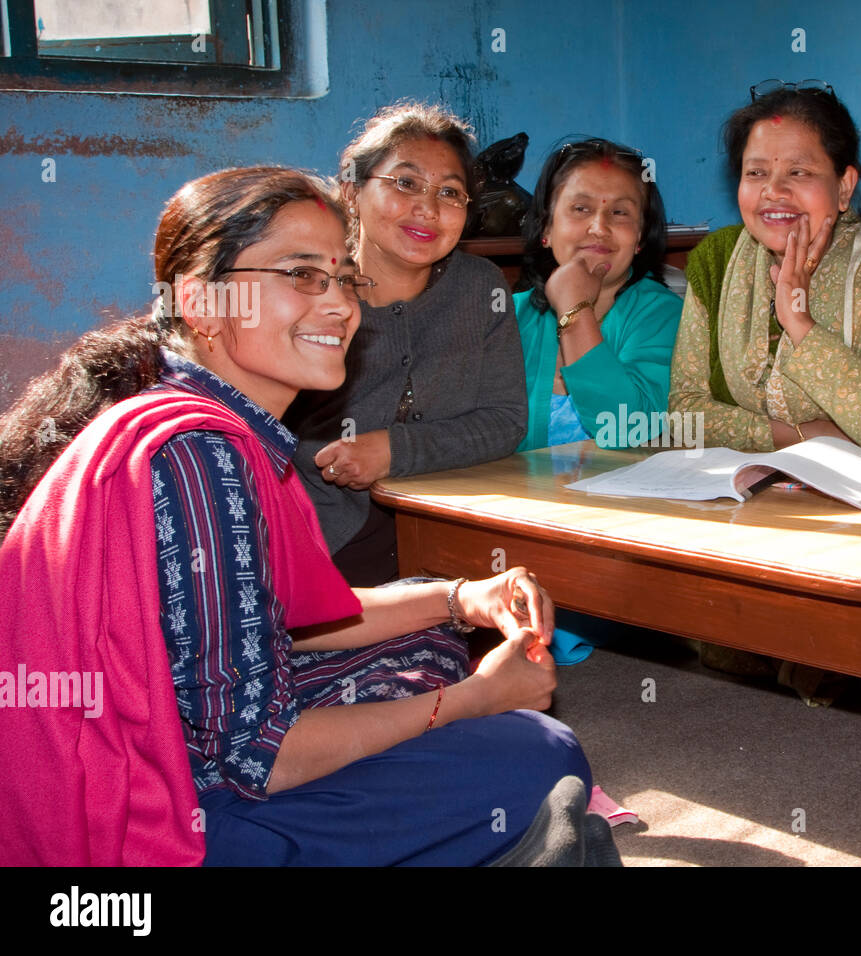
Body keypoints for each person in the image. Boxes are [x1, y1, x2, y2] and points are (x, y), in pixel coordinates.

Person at [0, 166, 617, 866]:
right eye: (301, 275)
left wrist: (460, 598)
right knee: (536, 752)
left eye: (343, 278)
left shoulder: (200, 419)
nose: (339, 305)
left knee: (431, 651)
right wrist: (477, 698)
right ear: (201, 302)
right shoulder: (204, 455)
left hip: (158, 751)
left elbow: (292, 615)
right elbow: (260, 759)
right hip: (145, 824)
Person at [286, 102, 527, 586]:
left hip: (451, 510)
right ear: (352, 191)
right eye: (406, 183)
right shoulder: (313, 288)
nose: (428, 208)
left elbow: (505, 420)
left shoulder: (481, 288)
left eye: (450, 193)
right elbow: (276, 425)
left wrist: (394, 449)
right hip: (324, 523)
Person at [670, 80, 861, 460]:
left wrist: (798, 321)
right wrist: (798, 435)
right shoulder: (717, 260)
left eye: (799, 172)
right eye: (756, 173)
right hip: (757, 482)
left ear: (844, 187)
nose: (774, 191)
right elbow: (684, 415)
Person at [514, 138, 680, 452]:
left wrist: (575, 310)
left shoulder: (662, 316)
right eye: (581, 209)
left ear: (640, 237)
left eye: (619, 212)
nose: (599, 227)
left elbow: (625, 427)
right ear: (546, 228)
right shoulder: (508, 318)